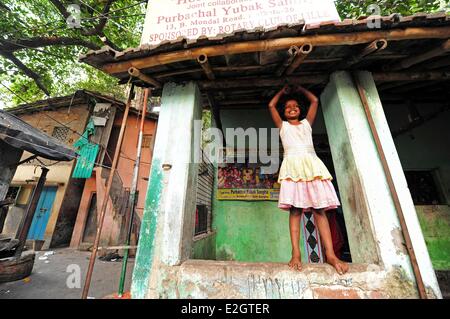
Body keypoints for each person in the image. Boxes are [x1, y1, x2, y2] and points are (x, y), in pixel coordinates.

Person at [268, 84, 349, 275]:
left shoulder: (306, 123)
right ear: (284, 112)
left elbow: (314, 100)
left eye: (295, 106)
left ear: (300, 109)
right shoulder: (283, 126)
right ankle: (296, 253)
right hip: (293, 168)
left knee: (320, 210)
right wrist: (282, 92)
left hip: (312, 166)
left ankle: (330, 254)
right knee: (295, 212)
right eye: (287, 107)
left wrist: (300, 89)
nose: (291, 108)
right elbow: (271, 105)